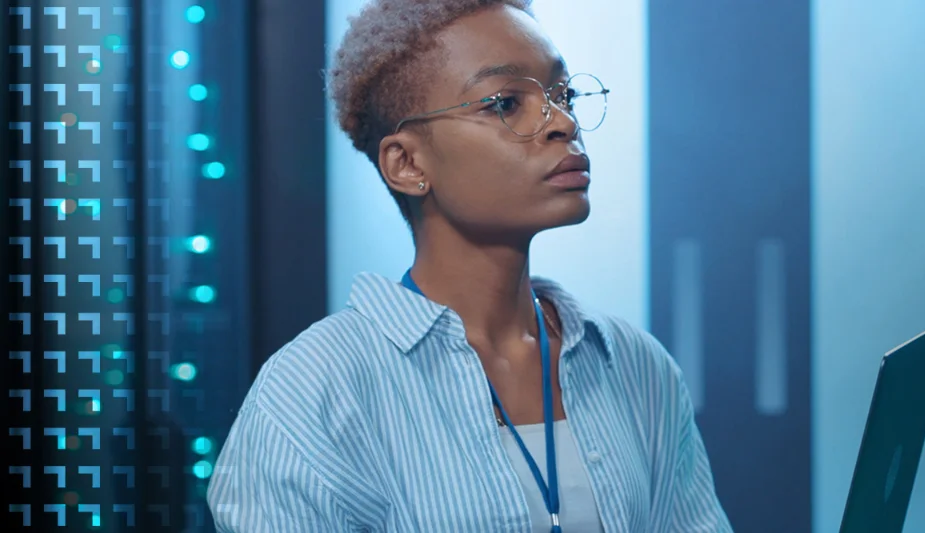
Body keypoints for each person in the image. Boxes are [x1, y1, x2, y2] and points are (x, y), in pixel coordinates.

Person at [206, 1, 732, 531]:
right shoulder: (317, 389)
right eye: (505, 104)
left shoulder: (634, 365)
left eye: (562, 94)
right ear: (407, 163)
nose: (564, 123)